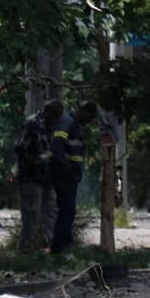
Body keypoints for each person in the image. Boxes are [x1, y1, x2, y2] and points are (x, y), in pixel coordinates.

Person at [49, 100, 98, 254]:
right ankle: (60, 248)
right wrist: (68, 167)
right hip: (64, 177)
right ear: (83, 112)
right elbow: (56, 146)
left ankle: (64, 246)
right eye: (89, 118)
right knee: (66, 211)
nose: (89, 122)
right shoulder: (67, 122)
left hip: (70, 177)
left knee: (68, 212)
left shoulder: (74, 125)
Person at [15, 100, 63, 252]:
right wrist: (34, 162)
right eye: (55, 117)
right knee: (32, 217)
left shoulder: (52, 126)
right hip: (30, 179)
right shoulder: (32, 123)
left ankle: (55, 249)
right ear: (48, 112)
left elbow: (50, 149)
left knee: (51, 214)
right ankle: (25, 251)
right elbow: (20, 148)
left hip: (46, 179)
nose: (56, 121)